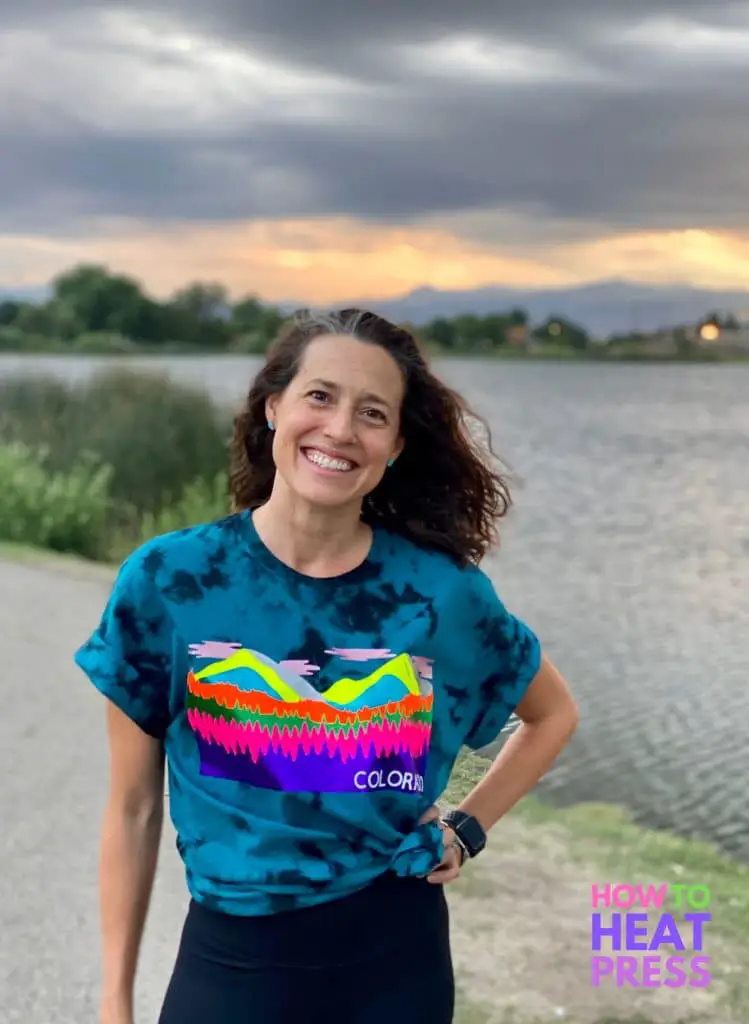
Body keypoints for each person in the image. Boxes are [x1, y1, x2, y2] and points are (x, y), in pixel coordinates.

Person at [75, 308, 579, 1024]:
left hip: (394, 965)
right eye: (320, 396)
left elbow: (552, 714)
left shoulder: (441, 595)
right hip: (231, 967)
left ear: (396, 444)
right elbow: (132, 808)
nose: (341, 429)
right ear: (273, 406)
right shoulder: (170, 581)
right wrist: (113, 1001)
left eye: (371, 413)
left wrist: (467, 827)